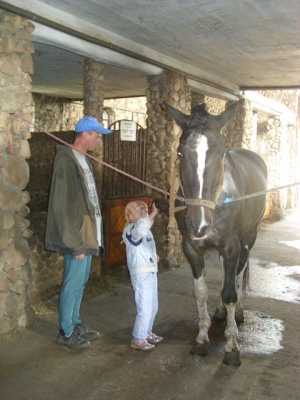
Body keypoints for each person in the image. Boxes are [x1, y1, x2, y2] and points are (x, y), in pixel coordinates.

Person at [45, 116, 112, 350]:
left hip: (88, 229)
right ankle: (65, 331)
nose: (98, 140)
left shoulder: (84, 160)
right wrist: (75, 243)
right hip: (77, 233)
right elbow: (62, 206)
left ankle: (74, 323)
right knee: (72, 283)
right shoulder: (66, 160)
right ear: (85, 134)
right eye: (97, 135)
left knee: (81, 282)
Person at [122, 200, 163, 351]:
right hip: (140, 273)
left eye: (145, 211)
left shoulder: (145, 229)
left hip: (151, 270)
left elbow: (144, 245)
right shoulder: (130, 229)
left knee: (153, 307)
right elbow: (139, 233)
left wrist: (154, 255)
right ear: (130, 216)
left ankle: (146, 332)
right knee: (144, 308)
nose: (145, 214)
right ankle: (138, 338)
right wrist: (153, 214)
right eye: (140, 212)